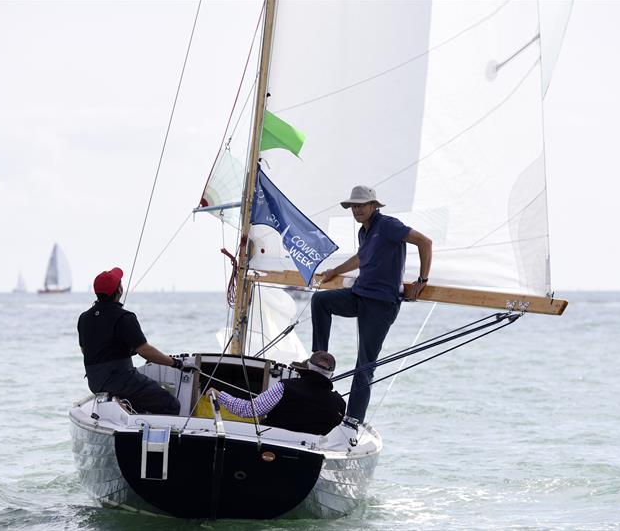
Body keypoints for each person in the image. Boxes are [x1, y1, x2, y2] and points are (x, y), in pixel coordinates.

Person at [312, 185, 432, 423]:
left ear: (373, 206)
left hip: (380, 304)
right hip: (359, 296)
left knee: (364, 365)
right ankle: (320, 358)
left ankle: (353, 421)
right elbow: (361, 257)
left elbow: (425, 242)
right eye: (353, 206)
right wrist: (334, 270)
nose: (357, 210)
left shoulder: (388, 225)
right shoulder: (363, 232)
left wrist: (422, 279)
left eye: (361, 205)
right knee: (320, 301)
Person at [78, 266, 182, 415]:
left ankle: (132, 416)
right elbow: (145, 351)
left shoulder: (84, 318)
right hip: (120, 381)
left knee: (141, 399)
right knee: (171, 405)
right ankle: (148, 434)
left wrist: (121, 350)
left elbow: (86, 350)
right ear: (119, 290)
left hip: (95, 384)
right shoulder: (124, 317)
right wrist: (175, 363)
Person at [204, 351, 346, 435]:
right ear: (331, 375)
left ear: (308, 367)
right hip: (311, 454)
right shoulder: (340, 403)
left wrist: (219, 395)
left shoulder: (284, 387)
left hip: (273, 445)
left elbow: (250, 410)